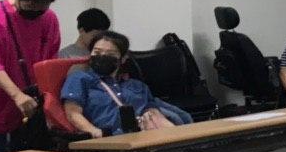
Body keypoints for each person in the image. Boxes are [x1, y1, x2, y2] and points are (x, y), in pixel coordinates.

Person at [60, 30, 192, 136]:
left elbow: (152, 110)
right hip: (111, 139)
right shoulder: (80, 79)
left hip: (146, 135)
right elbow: (73, 113)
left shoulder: (136, 85)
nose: (102, 56)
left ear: (122, 58)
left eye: (110, 53)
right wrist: (95, 132)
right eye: (97, 52)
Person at [0, 0, 60, 152]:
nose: (36, 14)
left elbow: (51, 60)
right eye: (30, 8)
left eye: (42, 9)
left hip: (32, 105)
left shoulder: (49, 18)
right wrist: (17, 95)